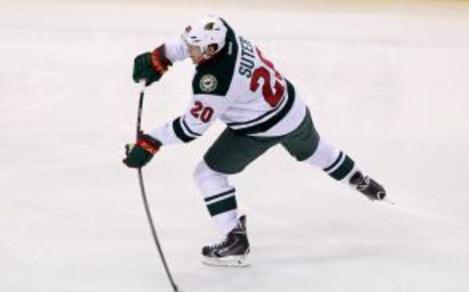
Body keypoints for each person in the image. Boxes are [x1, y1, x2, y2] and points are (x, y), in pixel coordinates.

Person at [123, 15, 387, 267]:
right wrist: (163, 55)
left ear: (211, 48)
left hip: (261, 128)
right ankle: (360, 180)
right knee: (316, 150)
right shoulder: (225, 33)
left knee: (207, 175)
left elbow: (191, 128)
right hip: (292, 108)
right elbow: (194, 41)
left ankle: (235, 241)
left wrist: (151, 140)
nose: (189, 51)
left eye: (194, 48)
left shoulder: (214, 82)